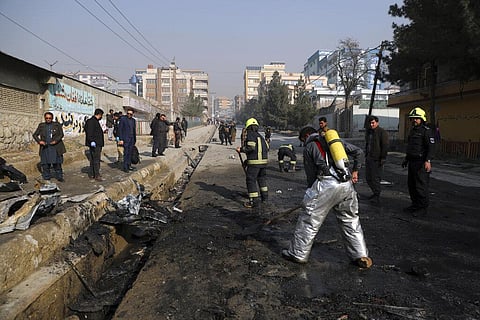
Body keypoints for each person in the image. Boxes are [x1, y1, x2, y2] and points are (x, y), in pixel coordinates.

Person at [282, 126, 372, 268]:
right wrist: (355, 170)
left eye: (302, 140)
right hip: (346, 184)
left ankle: (298, 254)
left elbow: (311, 177)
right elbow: (359, 152)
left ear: (306, 136)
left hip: (327, 185)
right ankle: (360, 255)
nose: (303, 143)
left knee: (309, 219)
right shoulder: (335, 142)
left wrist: (310, 199)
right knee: (351, 220)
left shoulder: (310, 146)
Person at [402, 106, 435, 216]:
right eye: (413, 118)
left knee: (421, 186)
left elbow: (431, 148)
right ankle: (415, 205)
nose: (414, 120)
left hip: (421, 163)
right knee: (411, 185)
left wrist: (428, 161)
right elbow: (411, 147)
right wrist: (406, 159)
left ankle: (422, 208)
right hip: (412, 162)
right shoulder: (412, 131)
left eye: (417, 118)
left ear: (422, 119)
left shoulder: (427, 131)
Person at [236, 118, 269, 209]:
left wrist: (241, 149)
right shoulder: (260, 136)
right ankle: (265, 199)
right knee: (262, 180)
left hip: (255, 164)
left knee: (251, 180)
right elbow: (266, 148)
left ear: (248, 127)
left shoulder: (250, 135)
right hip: (263, 163)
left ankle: (254, 202)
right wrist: (247, 161)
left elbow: (251, 147)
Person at [32, 112, 66, 182]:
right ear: (45, 118)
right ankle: (47, 177)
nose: (48, 119)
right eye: (46, 118)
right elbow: (35, 135)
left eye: (49, 118)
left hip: (55, 147)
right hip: (45, 147)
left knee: (57, 164)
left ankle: (59, 177)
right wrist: (39, 141)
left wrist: (55, 141)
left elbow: (61, 134)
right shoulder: (41, 125)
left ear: (52, 118)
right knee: (45, 164)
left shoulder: (57, 125)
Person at [364, 115, 389, 203]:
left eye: (373, 123)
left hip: (377, 159)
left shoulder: (382, 132)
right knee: (368, 178)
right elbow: (367, 144)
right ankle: (375, 193)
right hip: (369, 158)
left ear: (377, 123)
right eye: (370, 123)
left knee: (375, 178)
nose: (371, 125)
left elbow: (385, 146)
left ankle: (377, 195)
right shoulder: (369, 132)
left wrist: (383, 157)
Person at [84, 108, 105, 181]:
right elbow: (89, 132)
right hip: (95, 144)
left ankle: (92, 174)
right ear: (99, 114)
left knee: (93, 159)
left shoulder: (94, 121)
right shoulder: (91, 121)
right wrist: (92, 141)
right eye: (101, 115)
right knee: (96, 160)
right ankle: (96, 175)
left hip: (96, 144)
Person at [118, 108, 137, 173]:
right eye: (128, 113)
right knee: (126, 153)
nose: (129, 115)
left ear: (132, 114)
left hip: (132, 139)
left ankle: (129, 165)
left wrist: (134, 139)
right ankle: (125, 167)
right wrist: (121, 139)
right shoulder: (123, 119)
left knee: (130, 153)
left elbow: (134, 130)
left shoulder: (133, 120)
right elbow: (120, 129)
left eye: (130, 114)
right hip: (125, 139)